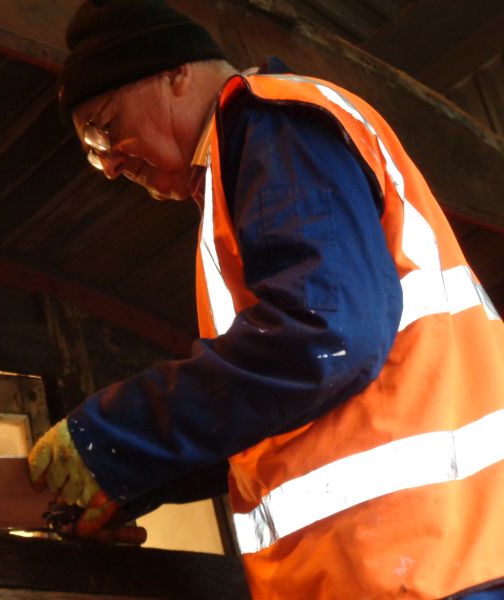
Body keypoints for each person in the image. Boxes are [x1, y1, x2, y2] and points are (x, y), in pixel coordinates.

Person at [27, 1, 504, 598]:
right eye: (95, 154)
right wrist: (125, 480)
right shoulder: (242, 172)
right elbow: (281, 405)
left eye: (106, 126)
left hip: (429, 560)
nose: (109, 166)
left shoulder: (271, 122)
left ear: (176, 73)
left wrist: (114, 434)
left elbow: (323, 338)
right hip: (406, 562)